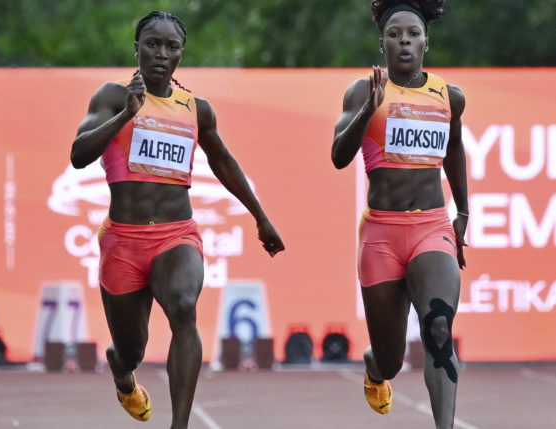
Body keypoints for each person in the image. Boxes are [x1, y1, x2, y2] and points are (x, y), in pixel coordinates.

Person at [70, 11, 284, 429]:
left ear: (181, 54)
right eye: (152, 44)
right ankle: (122, 369)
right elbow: (78, 155)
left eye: (171, 47)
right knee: (132, 349)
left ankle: (179, 424)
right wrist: (125, 116)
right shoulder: (113, 96)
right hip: (123, 241)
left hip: (175, 235)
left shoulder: (194, 109)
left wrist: (261, 217)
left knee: (184, 309)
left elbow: (223, 161)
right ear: (137, 48)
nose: (161, 54)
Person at [331, 1, 467, 428]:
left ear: (427, 41)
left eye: (412, 34)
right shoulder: (363, 90)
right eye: (394, 34)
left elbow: (453, 149)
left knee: (439, 330)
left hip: (431, 226)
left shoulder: (449, 96)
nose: (404, 40)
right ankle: (376, 365)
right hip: (382, 234)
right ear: (382, 42)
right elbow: (338, 156)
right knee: (391, 360)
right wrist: (368, 110)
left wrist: (463, 209)